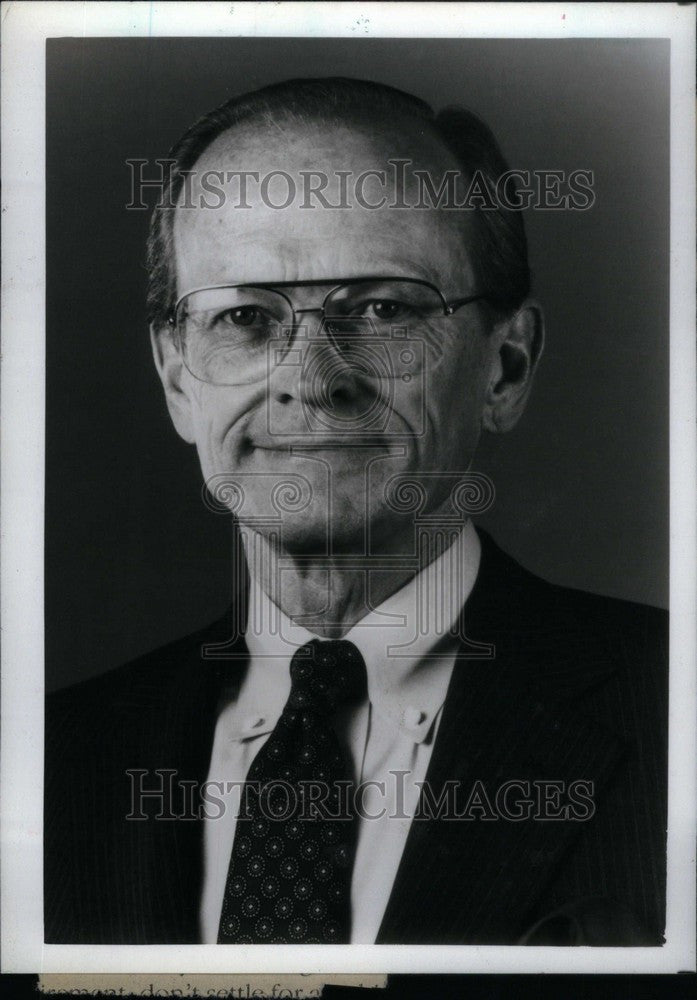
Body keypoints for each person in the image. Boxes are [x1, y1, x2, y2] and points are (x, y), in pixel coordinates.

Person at [45, 77, 667, 946]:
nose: (309, 378)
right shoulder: (48, 762)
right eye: (246, 319)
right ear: (179, 381)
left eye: (380, 308)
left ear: (506, 367)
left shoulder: (673, 712)